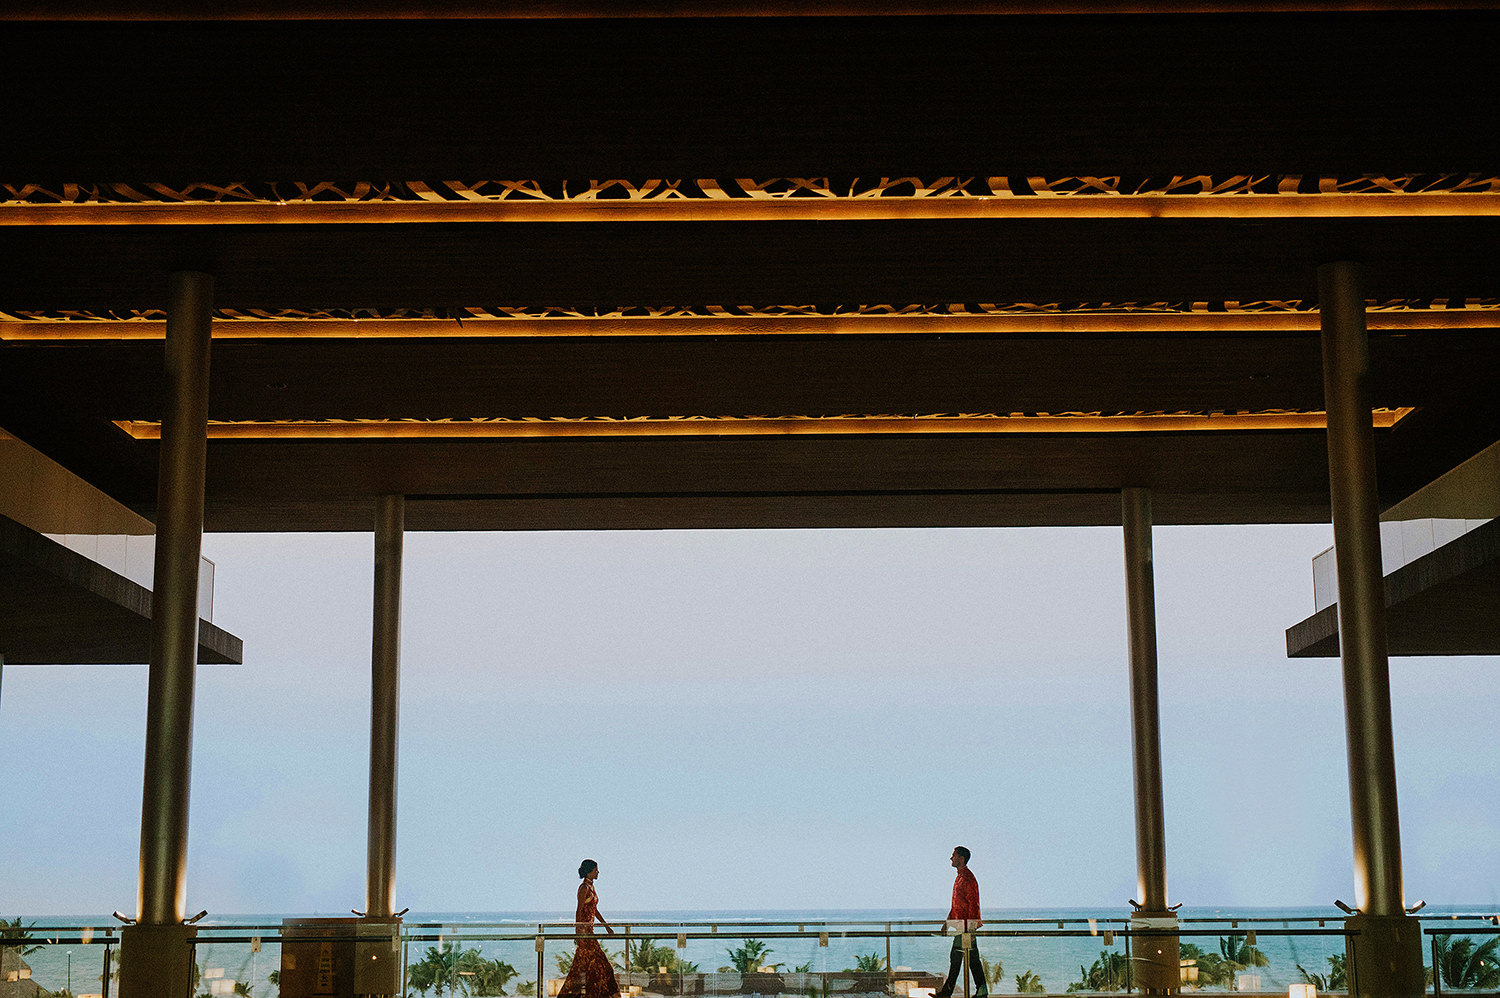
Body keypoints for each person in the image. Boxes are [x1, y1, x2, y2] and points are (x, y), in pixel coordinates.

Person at [558, 859, 620, 998]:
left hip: (590, 933)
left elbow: (594, 909)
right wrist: (578, 933)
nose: (598, 872)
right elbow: (579, 910)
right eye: (595, 870)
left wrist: (606, 926)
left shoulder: (591, 887)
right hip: (585, 934)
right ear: (589, 872)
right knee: (600, 967)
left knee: (587, 968)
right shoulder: (583, 888)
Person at [934, 846, 986, 998]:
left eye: (953, 855)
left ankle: (947, 993)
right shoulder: (960, 877)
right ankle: (980, 992)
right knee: (969, 960)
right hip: (962, 927)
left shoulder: (967, 878)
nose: (951, 858)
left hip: (966, 928)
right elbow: (957, 905)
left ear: (961, 859)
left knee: (961, 959)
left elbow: (973, 904)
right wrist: (947, 923)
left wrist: (969, 929)